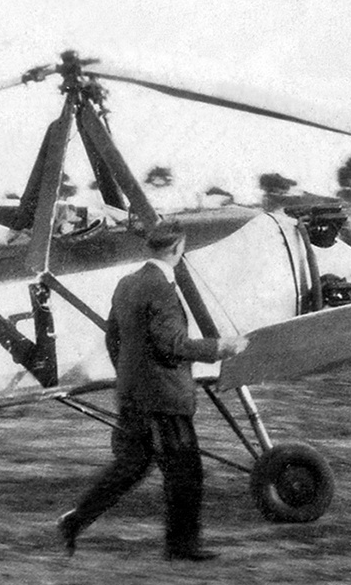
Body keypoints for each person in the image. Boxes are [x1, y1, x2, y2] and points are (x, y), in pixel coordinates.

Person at [57, 221, 241, 562]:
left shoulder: (127, 284)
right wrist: (220, 348)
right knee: (186, 471)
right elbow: (173, 344)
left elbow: (113, 338)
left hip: (132, 393)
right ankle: (181, 546)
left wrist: (129, 374)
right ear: (177, 249)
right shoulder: (162, 289)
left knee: (131, 466)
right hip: (164, 397)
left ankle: (75, 521)